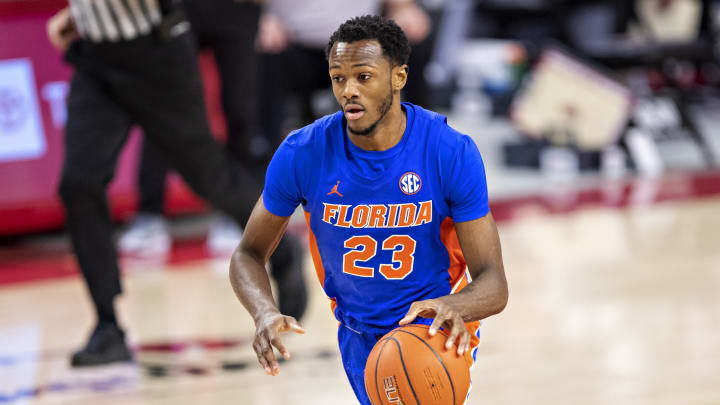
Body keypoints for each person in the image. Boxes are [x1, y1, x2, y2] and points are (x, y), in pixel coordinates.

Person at [229, 15, 508, 405]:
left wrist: (451, 306)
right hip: (357, 333)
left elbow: (494, 283)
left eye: (363, 76)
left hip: (434, 326)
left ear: (398, 77)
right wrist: (263, 312)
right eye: (338, 78)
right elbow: (247, 253)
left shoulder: (448, 151)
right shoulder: (303, 153)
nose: (348, 91)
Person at [46, 0, 304, 367]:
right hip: (96, 57)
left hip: (158, 53)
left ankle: (279, 247)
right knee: (78, 183)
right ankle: (107, 325)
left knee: (207, 177)